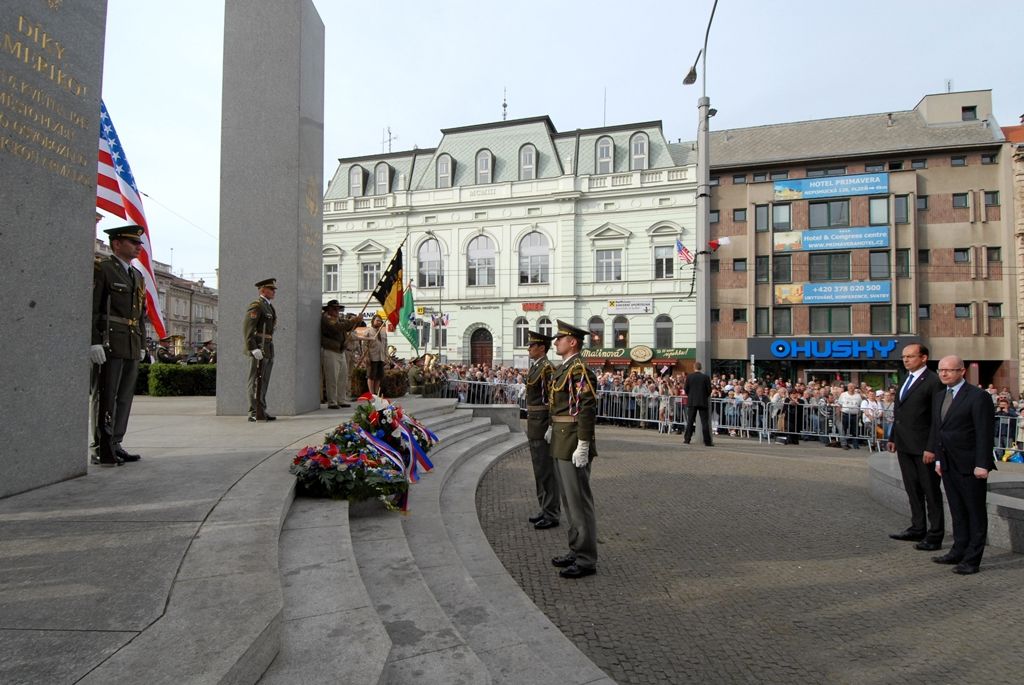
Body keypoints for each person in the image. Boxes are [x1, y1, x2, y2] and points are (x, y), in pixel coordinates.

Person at [927, 355, 996, 574]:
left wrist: (982, 464)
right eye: (940, 370)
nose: (944, 374)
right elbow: (939, 430)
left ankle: (972, 559)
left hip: (970, 465)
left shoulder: (978, 397)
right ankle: (958, 550)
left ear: (962, 371)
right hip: (947, 464)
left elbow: (984, 432)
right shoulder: (939, 396)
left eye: (949, 370)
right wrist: (938, 458)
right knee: (957, 510)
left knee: (974, 512)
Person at [90, 225, 148, 466]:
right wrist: (93, 341)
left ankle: (116, 441)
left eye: (139, 243)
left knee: (124, 396)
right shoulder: (102, 269)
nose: (138, 247)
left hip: (131, 341)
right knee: (106, 394)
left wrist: (143, 343)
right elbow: (92, 308)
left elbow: (140, 315)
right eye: (133, 242)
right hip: (110, 341)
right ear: (116, 244)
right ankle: (100, 445)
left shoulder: (137, 276)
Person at [548, 320, 599, 579]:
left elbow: (586, 408)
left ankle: (586, 558)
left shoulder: (579, 369)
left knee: (579, 502)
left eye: (560, 338)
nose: (555, 341)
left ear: (573, 342)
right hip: (560, 439)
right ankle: (576, 547)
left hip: (572, 442)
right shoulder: (565, 368)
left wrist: (584, 443)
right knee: (569, 502)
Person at [887, 344, 945, 550]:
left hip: (924, 448)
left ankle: (935, 534)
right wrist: (892, 436)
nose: (905, 360)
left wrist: (932, 448)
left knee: (930, 491)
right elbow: (899, 411)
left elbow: (936, 418)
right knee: (912, 489)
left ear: (923, 358)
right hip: (904, 444)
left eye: (910, 356)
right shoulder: (905, 378)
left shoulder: (933, 381)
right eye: (904, 357)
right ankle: (917, 527)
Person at [525, 329, 560, 531]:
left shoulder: (546, 368)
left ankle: (551, 512)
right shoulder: (537, 366)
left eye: (532, 345)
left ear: (541, 348)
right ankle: (544, 508)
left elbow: (552, 400)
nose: (529, 348)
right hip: (534, 423)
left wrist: (550, 425)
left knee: (546, 471)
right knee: (539, 470)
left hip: (541, 424)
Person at [245, 278, 277, 421]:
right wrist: (252, 348)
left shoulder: (268, 306)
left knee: (264, 380)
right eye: (271, 289)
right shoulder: (257, 305)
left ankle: (261, 409)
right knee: (255, 380)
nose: (273, 292)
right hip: (259, 346)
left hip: (268, 345)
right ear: (262, 290)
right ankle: (253, 411)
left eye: (273, 289)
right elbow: (248, 329)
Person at [320, 300, 353, 409]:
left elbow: (347, 327)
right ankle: (332, 401)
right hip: (330, 350)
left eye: (338, 309)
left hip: (340, 350)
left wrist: (355, 321)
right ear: (328, 309)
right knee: (332, 378)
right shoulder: (326, 319)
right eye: (334, 309)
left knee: (342, 376)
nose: (337, 311)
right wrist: (352, 321)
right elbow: (338, 327)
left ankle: (341, 399)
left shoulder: (337, 319)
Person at [683, 361, 713, 446]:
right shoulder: (706, 377)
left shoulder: (689, 377)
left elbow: (686, 389)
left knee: (690, 421)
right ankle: (707, 441)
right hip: (703, 401)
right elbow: (709, 390)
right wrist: (704, 396)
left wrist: (691, 395)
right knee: (704, 422)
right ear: (701, 368)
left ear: (694, 367)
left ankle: (687, 439)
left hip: (692, 401)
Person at [357, 313, 388, 396]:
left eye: (380, 321)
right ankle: (371, 393)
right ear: (373, 321)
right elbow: (365, 345)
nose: (379, 322)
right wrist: (366, 356)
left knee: (379, 376)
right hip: (372, 357)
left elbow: (385, 345)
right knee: (371, 376)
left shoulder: (383, 332)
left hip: (381, 357)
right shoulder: (368, 331)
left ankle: (376, 392)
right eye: (377, 320)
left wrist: (386, 357)